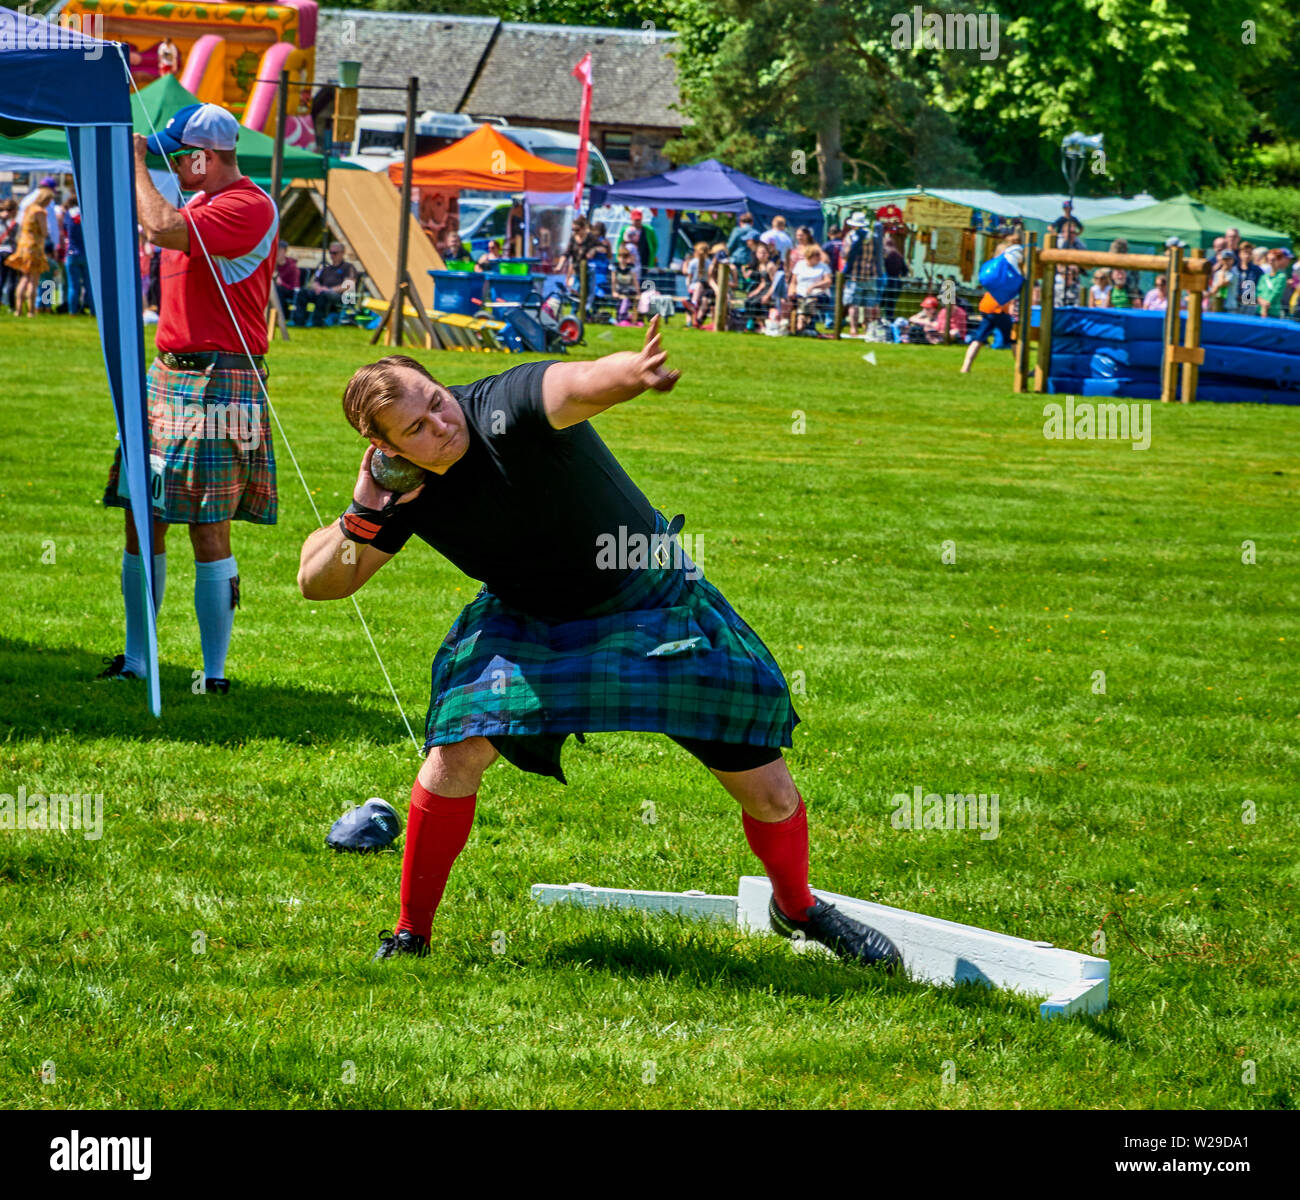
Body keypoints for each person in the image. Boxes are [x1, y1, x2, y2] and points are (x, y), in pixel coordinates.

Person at [297, 326, 903, 972]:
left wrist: (632, 373)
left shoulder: (504, 407)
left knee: (769, 790)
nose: (440, 425)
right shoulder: (406, 492)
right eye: (414, 429)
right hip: (528, 619)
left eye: (436, 400)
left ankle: (798, 907)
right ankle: (411, 932)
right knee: (454, 753)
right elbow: (319, 581)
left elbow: (574, 384)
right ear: (384, 450)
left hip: (647, 596)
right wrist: (365, 510)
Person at [98, 102, 279, 694]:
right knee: (140, 513)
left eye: (178, 154)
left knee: (208, 524)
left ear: (206, 156)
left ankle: (216, 674)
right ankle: (137, 660)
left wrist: (136, 166)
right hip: (168, 375)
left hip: (217, 379)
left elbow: (158, 227)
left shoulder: (247, 207)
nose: (172, 162)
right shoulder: (198, 203)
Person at [960, 231, 1022, 373]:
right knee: (1013, 338)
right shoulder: (1006, 268)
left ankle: (966, 367)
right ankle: (1021, 368)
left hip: (987, 306)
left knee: (979, 338)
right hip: (999, 308)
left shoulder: (994, 268)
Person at [4, 185, 52, 317]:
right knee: (33, 279)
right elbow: (44, 231)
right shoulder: (40, 211)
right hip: (35, 247)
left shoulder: (28, 209)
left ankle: (18, 310)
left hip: (23, 246)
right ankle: (31, 311)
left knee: (24, 278)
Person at [294, 242, 356, 326]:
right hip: (322, 292)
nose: (332, 255)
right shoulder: (325, 268)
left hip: (338, 295)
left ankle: (317, 322)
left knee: (323, 295)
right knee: (302, 293)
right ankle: (299, 321)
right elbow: (314, 282)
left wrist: (329, 289)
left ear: (342, 253)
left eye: (335, 253)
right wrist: (318, 287)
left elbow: (348, 285)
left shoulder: (348, 267)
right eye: (330, 252)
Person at [839, 211, 876, 336]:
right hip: (870, 273)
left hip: (854, 274)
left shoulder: (850, 236)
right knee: (868, 304)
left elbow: (844, 254)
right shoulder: (872, 236)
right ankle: (867, 329)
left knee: (853, 304)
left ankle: (853, 328)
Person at [791, 244, 831, 335]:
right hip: (800, 292)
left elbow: (828, 281)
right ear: (809, 256)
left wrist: (814, 286)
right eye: (816, 255)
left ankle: (802, 321)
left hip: (818, 293)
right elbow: (793, 282)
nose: (818, 257)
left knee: (810, 300)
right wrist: (791, 290)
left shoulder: (823, 266)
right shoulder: (799, 265)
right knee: (800, 299)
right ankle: (804, 324)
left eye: (819, 254)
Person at [64, 189, 92, 316]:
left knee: (73, 285)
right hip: (86, 253)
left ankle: (72, 311)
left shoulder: (68, 215)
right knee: (89, 285)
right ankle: (93, 310)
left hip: (71, 253)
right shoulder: (87, 214)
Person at [682, 240, 711, 328]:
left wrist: (688, 286)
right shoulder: (709, 262)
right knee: (703, 304)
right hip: (705, 288)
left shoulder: (693, 262)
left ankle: (689, 322)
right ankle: (698, 321)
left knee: (689, 305)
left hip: (693, 287)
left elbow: (689, 276)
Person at [1256, 248, 1291, 317]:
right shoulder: (1263, 277)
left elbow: (1276, 293)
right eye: (1269, 260)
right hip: (1259, 310)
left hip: (1273, 312)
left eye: (1273, 260)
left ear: (1279, 260)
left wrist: (1266, 306)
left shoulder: (1281, 277)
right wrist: (1262, 303)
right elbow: (1258, 292)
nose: (1271, 262)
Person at [611, 244, 640, 325]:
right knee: (618, 303)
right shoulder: (615, 266)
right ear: (618, 257)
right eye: (621, 256)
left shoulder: (631, 267)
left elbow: (635, 280)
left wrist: (638, 292)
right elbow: (613, 280)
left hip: (628, 290)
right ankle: (619, 318)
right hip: (619, 289)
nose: (623, 259)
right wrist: (613, 291)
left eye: (625, 257)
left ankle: (623, 316)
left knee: (626, 300)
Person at [880, 235, 906, 321]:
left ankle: (879, 321)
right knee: (891, 306)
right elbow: (905, 271)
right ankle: (889, 322)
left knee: (880, 304)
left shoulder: (884, 253)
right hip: (896, 282)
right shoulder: (899, 255)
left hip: (885, 281)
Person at [0, 198, 19, 310]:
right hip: (11, 252)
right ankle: (12, 305)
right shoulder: (14, 223)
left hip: (0, 250)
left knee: (1, 279)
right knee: (12, 279)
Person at [275, 244, 301, 315]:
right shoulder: (273, 266)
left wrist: (281, 283)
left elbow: (295, 287)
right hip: (278, 290)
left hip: (291, 291)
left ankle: (280, 315)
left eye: (279, 251)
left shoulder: (292, 267)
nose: (276, 253)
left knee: (277, 289)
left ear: (285, 252)